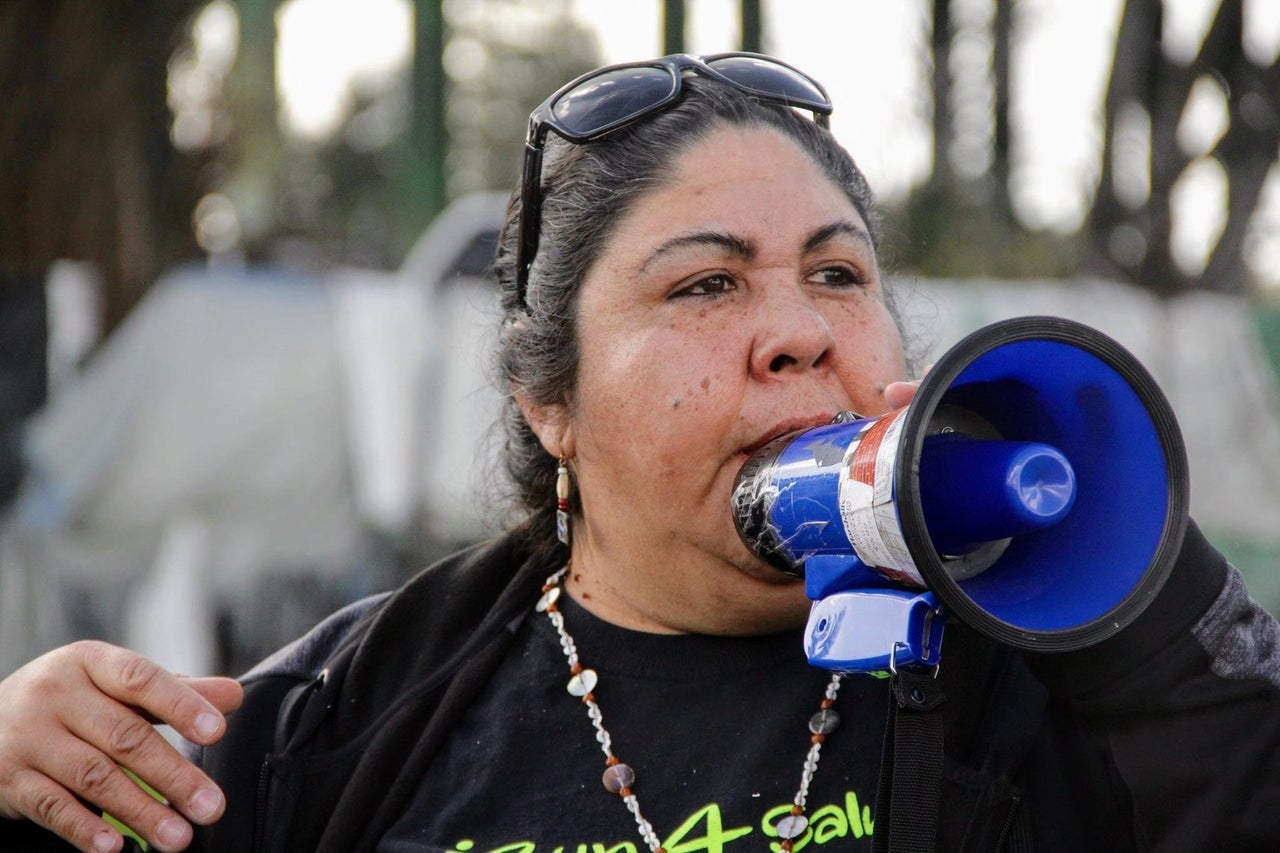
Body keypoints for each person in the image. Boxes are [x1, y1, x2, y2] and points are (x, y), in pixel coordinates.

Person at [1, 51, 1278, 853]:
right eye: (704, 288)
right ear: (548, 401)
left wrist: (1155, 614)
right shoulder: (346, 718)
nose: (792, 331)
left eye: (836, 273)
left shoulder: (1050, 681)